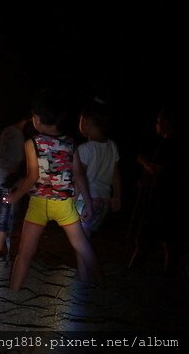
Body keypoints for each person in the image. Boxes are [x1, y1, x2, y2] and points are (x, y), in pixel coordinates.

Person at [5, 89, 103, 291]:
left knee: (25, 252)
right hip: (64, 204)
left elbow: (33, 176)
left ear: (37, 119)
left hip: (39, 204)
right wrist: (89, 203)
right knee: (82, 246)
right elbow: (79, 174)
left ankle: (13, 291)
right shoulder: (70, 143)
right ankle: (102, 284)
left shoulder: (32, 143)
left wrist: (15, 197)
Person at [128, 107, 183, 273]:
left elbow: (158, 169)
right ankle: (169, 276)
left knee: (145, 240)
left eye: (158, 121)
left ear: (166, 123)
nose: (156, 125)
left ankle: (132, 274)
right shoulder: (170, 144)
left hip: (159, 201)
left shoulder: (170, 145)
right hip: (167, 200)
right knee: (169, 241)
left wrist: (143, 161)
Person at [75, 97, 122, 238]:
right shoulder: (112, 146)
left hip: (85, 200)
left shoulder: (85, 149)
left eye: (80, 121)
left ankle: (86, 261)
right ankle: (85, 260)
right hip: (103, 202)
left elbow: (79, 176)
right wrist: (117, 197)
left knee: (80, 240)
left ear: (87, 122)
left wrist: (71, 199)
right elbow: (116, 175)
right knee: (85, 238)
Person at [0, 114, 30, 259]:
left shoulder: (6, 131)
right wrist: (19, 186)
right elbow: (14, 167)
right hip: (8, 185)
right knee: (3, 222)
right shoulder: (20, 138)